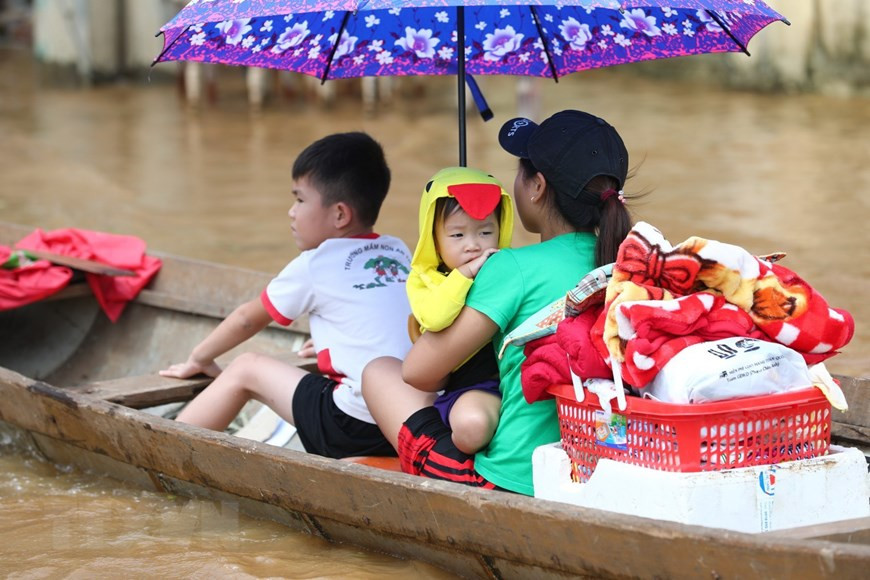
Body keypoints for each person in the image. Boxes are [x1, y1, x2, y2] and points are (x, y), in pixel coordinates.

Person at [362, 110, 636, 494]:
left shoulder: (510, 268)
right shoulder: (633, 263)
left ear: (536, 186)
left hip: (510, 481)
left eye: (520, 172)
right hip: (601, 470)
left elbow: (418, 372)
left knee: (379, 372)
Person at [160, 131, 413, 459]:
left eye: (300, 200)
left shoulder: (316, 263)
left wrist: (199, 359)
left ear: (340, 214)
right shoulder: (398, 251)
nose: (291, 212)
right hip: (409, 423)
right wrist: (336, 343)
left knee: (246, 367)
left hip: (351, 426)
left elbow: (246, 319)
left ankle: (166, 454)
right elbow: (382, 318)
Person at [405, 166, 514, 454]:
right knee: (472, 425)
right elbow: (435, 318)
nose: (473, 245)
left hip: (515, 379)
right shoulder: (424, 278)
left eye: (486, 232)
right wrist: (465, 274)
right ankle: (452, 459)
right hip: (474, 386)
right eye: (457, 235)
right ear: (433, 238)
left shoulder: (507, 269)